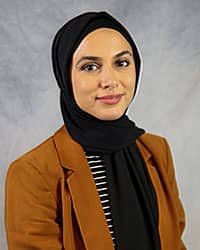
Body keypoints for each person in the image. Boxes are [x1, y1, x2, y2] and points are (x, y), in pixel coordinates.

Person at [4, 11, 186, 250]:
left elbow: (174, 242)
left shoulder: (156, 150)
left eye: (121, 63)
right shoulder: (32, 173)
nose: (110, 80)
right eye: (90, 67)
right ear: (65, 76)